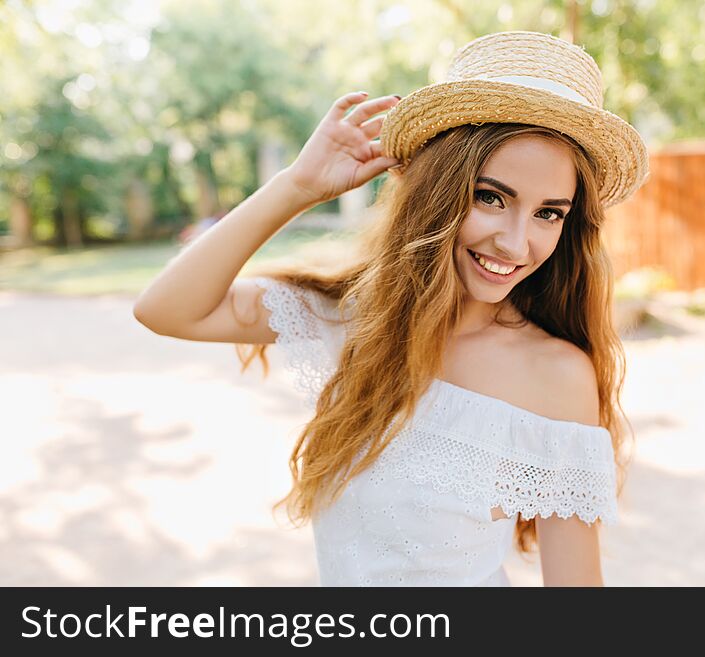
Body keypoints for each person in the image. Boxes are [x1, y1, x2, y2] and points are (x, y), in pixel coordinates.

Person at [133, 30, 650, 587]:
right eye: (490, 197)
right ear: (435, 190)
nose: (516, 242)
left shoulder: (555, 375)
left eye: (549, 213)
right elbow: (166, 309)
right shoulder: (349, 320)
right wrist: (298, 186)